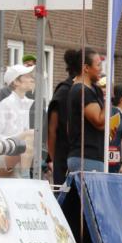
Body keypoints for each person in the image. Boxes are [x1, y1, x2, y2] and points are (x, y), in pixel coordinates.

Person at [0, 63, 36, 177]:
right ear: (16, 82)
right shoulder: (5, 105)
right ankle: (26, 177)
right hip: (1, 155)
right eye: (27, 76)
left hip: (18, 154)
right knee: (31, 134)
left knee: (32, 135)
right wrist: (21, 136)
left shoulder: (28, 104)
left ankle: (26, 176)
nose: (32, 79)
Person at [66, 48, 106, 174]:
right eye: (98, 65)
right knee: (91, 194)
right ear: (86, 68)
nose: (101, 69)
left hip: (85, 157)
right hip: (87, 158)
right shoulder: (82, 91)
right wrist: (108, 98)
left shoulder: (88, 89)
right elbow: (99, 122)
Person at [47, 48, 78, 185]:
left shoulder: (85, 91)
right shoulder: (65, 91)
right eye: (97, 65)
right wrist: (54, 159)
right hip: (65, 158)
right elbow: (52, 130)